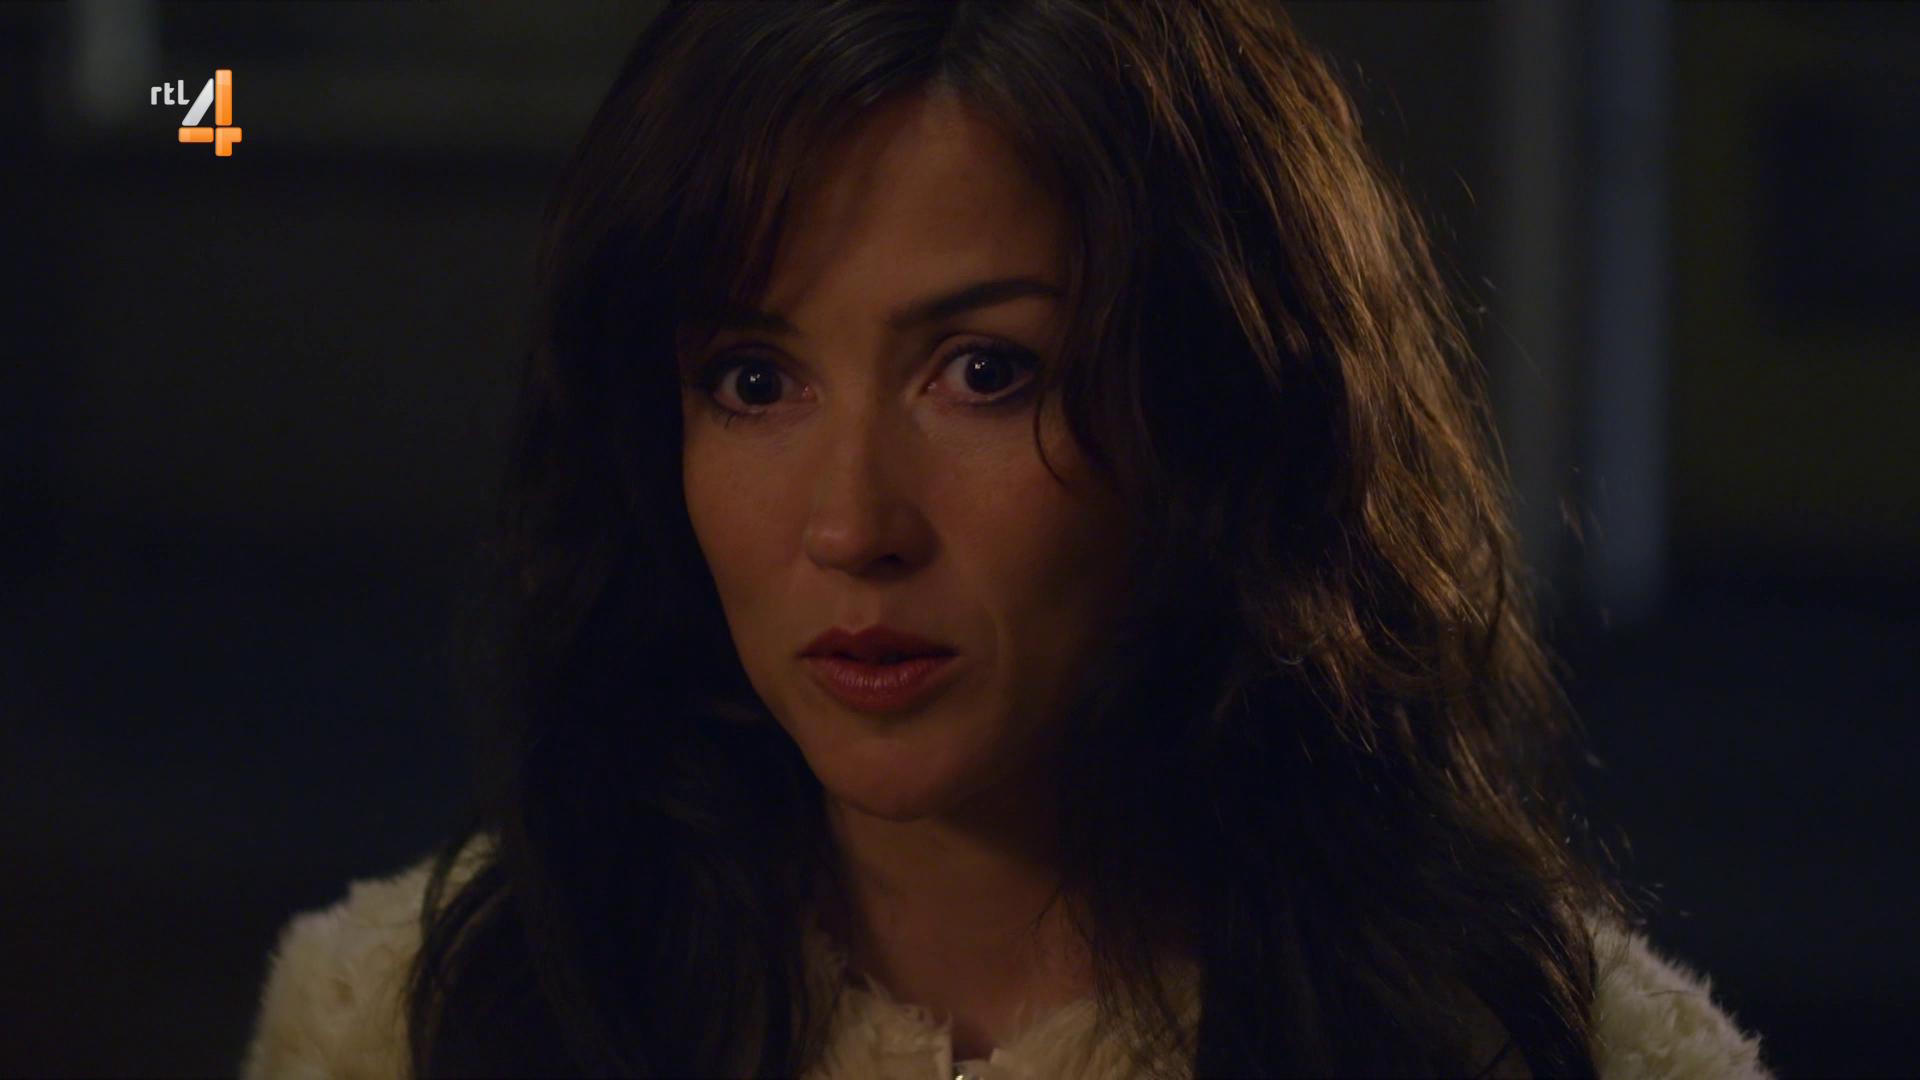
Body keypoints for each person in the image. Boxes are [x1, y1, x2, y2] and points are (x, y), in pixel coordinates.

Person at [241, 2, 1774, 1076]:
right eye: (755, 381)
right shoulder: (408, 1027)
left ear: (1217, 401)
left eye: (986, 373)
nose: (854, 525)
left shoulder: (1558, 1052)